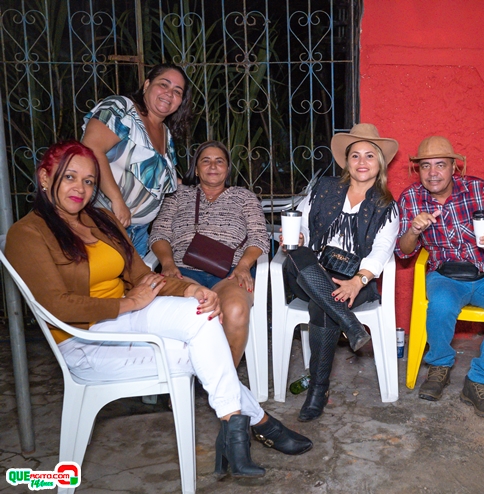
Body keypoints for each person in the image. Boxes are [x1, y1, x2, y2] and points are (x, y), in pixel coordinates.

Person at [5, 141, 312, 479]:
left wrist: (192, 290)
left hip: (125, 318)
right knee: (201, 351)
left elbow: (142, 276)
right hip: (84, 336)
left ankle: (236, 427)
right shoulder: (27, 233)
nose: (80, 188)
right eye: (70, 177)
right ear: (45, 177)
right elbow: (57, 305)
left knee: (202, 314)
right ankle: (257, 424)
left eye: (89, 181)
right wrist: (128, 303)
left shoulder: (101, 220)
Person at [395, 136, 484, 419]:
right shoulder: (411, 198)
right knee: (440, 304)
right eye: (425, 166)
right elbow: (404, 252)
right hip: (445, 274)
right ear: (418, 170)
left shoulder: (479, 189)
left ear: (454, 167)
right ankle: (439, 366)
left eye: (440, 165)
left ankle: (479, 381)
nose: (432, 173)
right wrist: (413, 230)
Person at [281, 123, 399, 422]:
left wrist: (358, 282)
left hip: (355, 279)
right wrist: (297, 237)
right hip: (309, 271)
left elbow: (382, 250)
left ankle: (317, 391)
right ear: (346, 162)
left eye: (369, 156)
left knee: (322, 307)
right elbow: (301, 224)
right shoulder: (324, 189)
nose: (362, 162)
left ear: (379, 163)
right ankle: (351, 324)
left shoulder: (387, 205)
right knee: (296, 253)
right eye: (355, 155)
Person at [148, 141, 269, 367]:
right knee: (190, 308)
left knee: (235, 309)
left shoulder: (244, 197)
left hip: (231, 273)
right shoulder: (178, 196)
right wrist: (167, 263)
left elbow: (259, 237)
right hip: (182, 271)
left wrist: (244, 265)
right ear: (196, 169)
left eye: (219, 161)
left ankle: (224, 381)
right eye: (206, 161)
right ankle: (184, 378)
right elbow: (159, 233)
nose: (213, 166)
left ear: (227, 169)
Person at [81, 63, 193, 256]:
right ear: (147, 84)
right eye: (164, 84)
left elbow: (158, 180)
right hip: (103, 224)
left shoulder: (165, 134)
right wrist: (117, 200)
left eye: (177, 91)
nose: (169, 93)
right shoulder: (122, 108)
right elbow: (91, 149)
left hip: (138, 234)